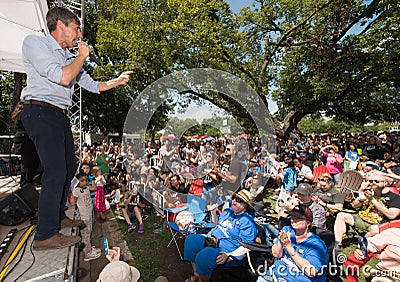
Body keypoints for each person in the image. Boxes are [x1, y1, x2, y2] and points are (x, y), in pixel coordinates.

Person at [20, 6, 132, 249]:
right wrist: (81, 57)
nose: (79, 33)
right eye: (76, 27)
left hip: (58, 115)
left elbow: (92, 84)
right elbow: (62, 77)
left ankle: (57, 217)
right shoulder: (35, 43)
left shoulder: (68, 59)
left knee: (69, 166)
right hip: (40, 110)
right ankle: (45, 235)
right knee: (55, 170)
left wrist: (117, 81)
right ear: (61, 25)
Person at [183, 189, 258, 282]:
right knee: (191, 241)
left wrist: (230, 256)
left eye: (238, 200)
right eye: (234, 198)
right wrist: (213, 213)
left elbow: (248, 246)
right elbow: (217, 224)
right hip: (212, 239)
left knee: (203, 257)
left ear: (245, 205)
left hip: (227, 251)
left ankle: (203, 280)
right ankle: (197, 274)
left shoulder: (248, 222)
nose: (234, 201)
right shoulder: (228, 211)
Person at [257, 204, 328, 282]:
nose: (292, 220)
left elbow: (311, 272)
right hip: (274, 275)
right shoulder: (287, 230)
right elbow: (276, 254)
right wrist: (280, 243)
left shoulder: (316, 244)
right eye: (291, 217)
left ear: (308, 223)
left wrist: (289, 247)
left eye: (297, 218)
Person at [69, 172, 101, 261]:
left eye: (86, 180)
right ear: (77, 182)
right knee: (85, 235)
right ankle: (87, 254)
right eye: (82, 180)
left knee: (89, 232)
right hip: (84, 217)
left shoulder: (86, 188)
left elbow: (94, 188)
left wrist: (93, 180)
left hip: (89, 214)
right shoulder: (76, 190)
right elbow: (72, 202)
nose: (85, 182)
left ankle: (89, 248)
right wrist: (72, 191)